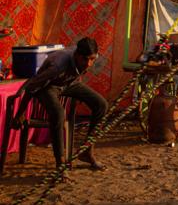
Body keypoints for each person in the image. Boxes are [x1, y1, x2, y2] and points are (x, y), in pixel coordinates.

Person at [12, 37, 108, 171]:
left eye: (92, 59)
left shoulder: (87, 57)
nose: (88, 63)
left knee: (101, 104)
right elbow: (31, 87)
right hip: (48, 86)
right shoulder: (58, 65)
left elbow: (77, 73)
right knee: (58, 113)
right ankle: (60, 162)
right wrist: (19, 114)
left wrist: (80, 92)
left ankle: (87, 151)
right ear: (77, 55)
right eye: (85, 59)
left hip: (68, 83)